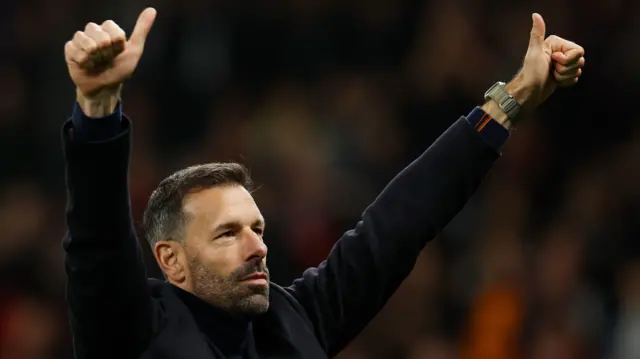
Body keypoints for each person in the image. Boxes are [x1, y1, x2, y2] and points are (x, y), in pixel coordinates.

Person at [61, 7, 585, 359]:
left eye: (257, 228)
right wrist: (99, 110)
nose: (256, 247)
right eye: (227, 233)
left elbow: (398, 224)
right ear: (170, 259)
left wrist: (511, 99)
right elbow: (99, 243)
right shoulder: (133, 331)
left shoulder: (292, 321)